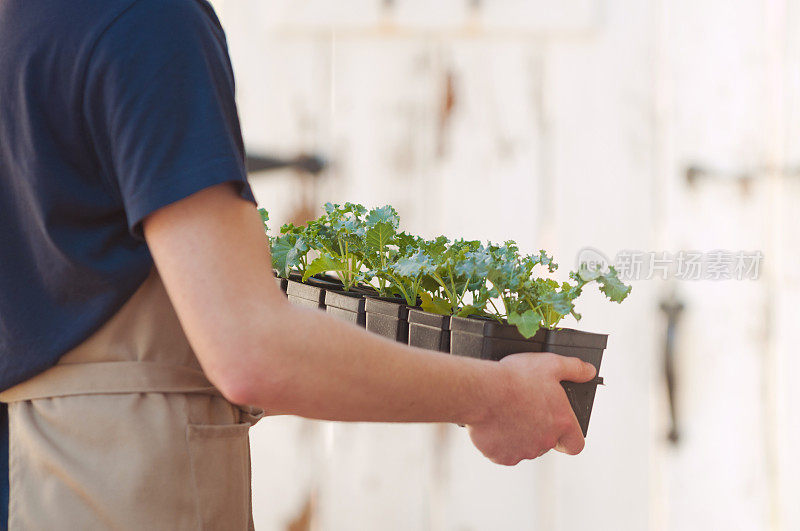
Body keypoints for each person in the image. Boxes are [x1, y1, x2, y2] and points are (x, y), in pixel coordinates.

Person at [0, 0, 596, 528]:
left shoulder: (26, 20)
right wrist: (493, 396)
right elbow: (251, 351)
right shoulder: (145, 21)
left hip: (34, 473)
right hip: (124, 486)